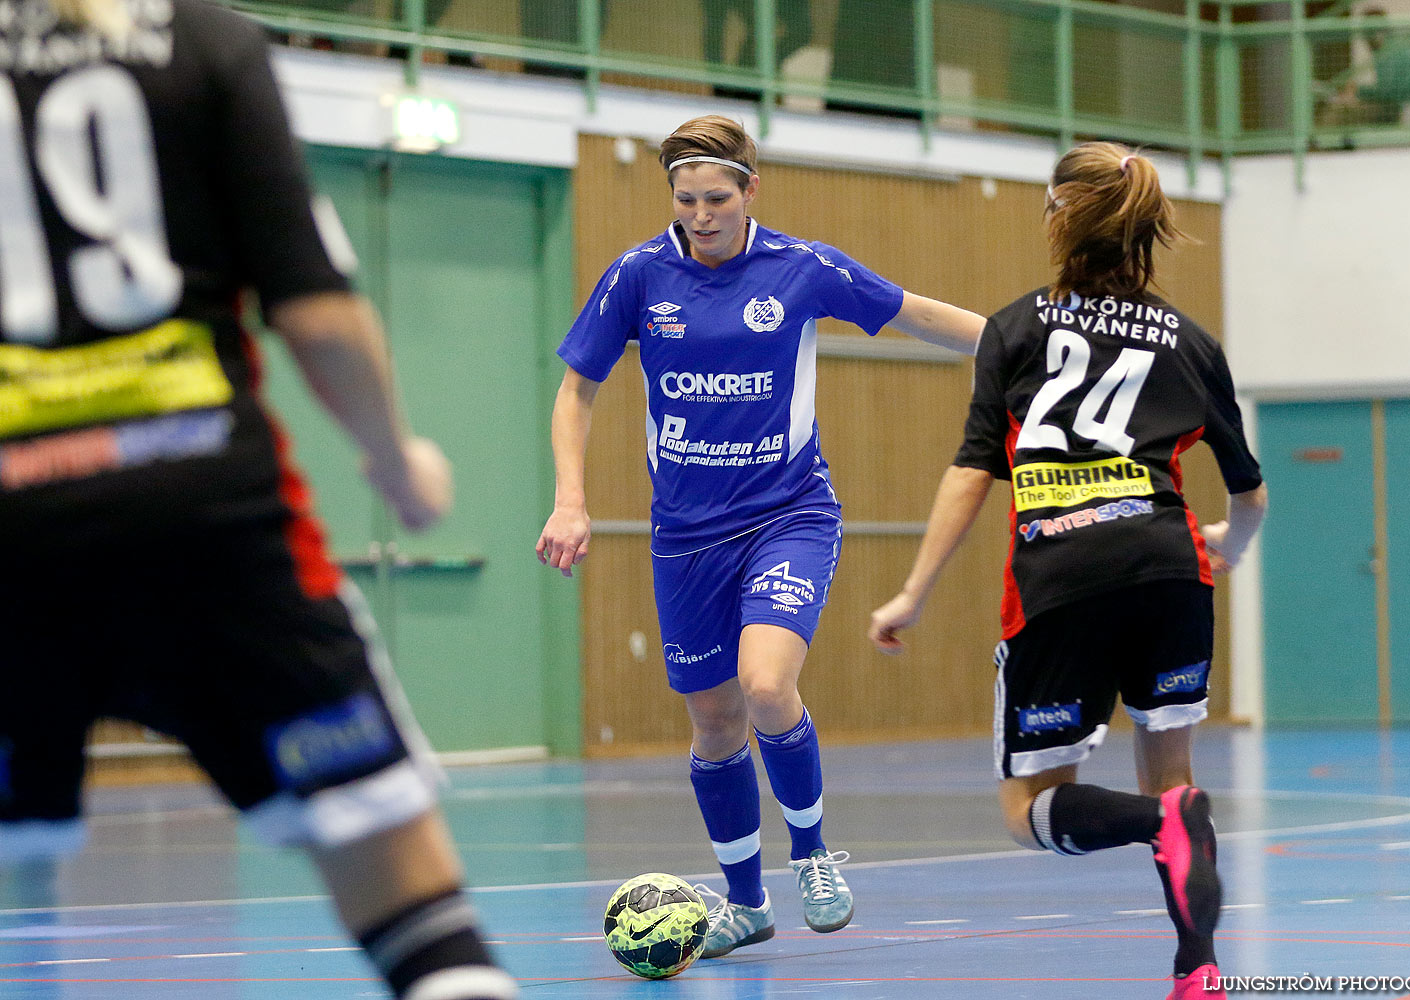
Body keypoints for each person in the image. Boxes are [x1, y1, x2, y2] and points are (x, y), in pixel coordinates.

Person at [0, 2, 516, 999]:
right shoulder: (207, 45)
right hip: (211, 527)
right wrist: (396, 461)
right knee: (412, 903)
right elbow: (316, 310)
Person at [537, 114, 985, 958]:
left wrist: (1033, 342)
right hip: (684, 537)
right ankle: (745, 903)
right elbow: (576, 391)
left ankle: (813, 854)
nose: (701, 215)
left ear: (751, 190)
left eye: (716, 198)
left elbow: (919, 314)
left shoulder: (802, 269)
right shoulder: (637, 275)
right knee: (713, 723)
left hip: (789, 515)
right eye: (686, 200)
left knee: (767, 685)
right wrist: (571, 499)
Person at [869, 142, 1269, 1000]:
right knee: (1176, 779)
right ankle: (1197, 968)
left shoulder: (1016, 329)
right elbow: (1251, 492)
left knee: (1027, 810)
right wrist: (1228, 546)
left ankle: (1154, 823)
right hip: (1171, 569)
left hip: (1063, 575)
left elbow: (975, 470)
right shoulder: (1192, 343)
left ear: (1060, 218)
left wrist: (913, 590)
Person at [1324, 8, 1410, 127]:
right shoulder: (1396, 44)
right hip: (1407, 106)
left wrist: (1357, 91)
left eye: (1366, 33)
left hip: (1406, 109)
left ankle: (1322, 144)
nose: (1365, 39)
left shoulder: (1390, 50)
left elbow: (1388, 93)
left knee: (1341, 111)